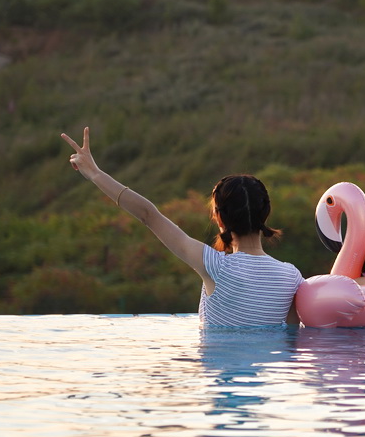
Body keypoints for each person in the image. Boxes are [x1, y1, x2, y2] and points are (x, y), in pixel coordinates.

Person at [61, 127, 302, 327]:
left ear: (219, 218)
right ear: (266, 213)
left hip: (220, 380)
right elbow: (292, 337)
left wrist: (94, 173)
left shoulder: (214, 265)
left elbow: (148, 215)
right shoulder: (291, 276)